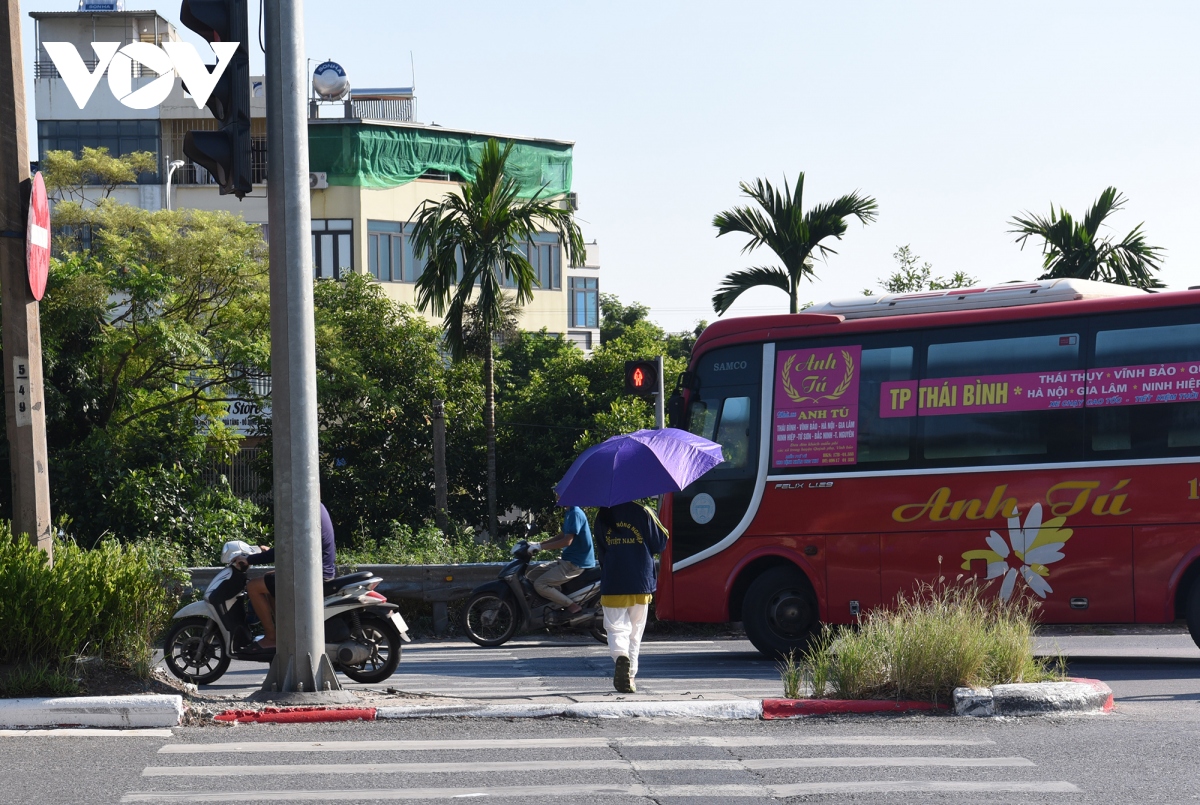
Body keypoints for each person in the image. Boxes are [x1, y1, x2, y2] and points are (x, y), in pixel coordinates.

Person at [241, 502, 338, 650]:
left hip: (311, 577)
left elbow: (285, 548)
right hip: (318, 573)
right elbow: (290, 547)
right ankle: (284, 633)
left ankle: (271, 638)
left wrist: (249, 559)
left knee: (253, 586)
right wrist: (269, 551)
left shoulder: (305, 511)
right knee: (269, 579)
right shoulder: (317, 507)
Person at [594, 500, 668, 693]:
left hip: (613, 580)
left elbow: (601, 549)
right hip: (640, 580)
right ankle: (631, 677)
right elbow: (660, 542)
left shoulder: (602, 514)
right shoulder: (643, 512)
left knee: (615, 627)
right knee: (635, 633)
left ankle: (620, 656)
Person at [526, 505, 596, 614]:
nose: (557, 497)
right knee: (531, 576)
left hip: (575, 563)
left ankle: (571, 605)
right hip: (566, 560)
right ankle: (553, 603)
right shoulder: (569, 512)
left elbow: (566, 541)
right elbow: (563, 535)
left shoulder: (575, 513)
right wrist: (539, 544)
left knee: (540, 584)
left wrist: (541, 547)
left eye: (559, 495)